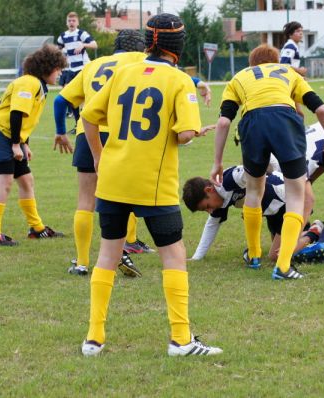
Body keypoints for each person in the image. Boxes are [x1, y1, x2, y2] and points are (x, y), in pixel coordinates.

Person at [79, 13, 222, 357]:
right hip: (153, 183)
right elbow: (184, 133)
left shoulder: (121, 72)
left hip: (113, 179)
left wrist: (99, 157)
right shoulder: (179, 80)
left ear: (148, 40)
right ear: (178, 44)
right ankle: (181, 340)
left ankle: (94, 339)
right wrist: (190, 133)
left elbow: (88, 116)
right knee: (173, 255)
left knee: (108, 255)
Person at [212, 44, 324, 281]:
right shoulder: (288, 72)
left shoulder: (240, 77)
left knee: (253, 190)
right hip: (285, 120)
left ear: (252, 64)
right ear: (276, 60)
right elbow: (320, 108)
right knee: (296, 195)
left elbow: (223, 123)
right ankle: (283, 265)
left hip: (252, 122)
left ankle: (254, 254)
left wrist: (217, 162)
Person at [52, 29, 149, 276]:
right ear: (140, 47)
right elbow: (167, 75)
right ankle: (122, 249)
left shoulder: (93, 65)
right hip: (122, 134)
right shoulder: (140, 60)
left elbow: (60, 101)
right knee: (125, 196)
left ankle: (82, 262)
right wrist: (198, 83)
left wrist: (61, 131)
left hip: (88, 133)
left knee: (86, 199)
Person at [0, 45, 67, 246]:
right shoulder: (29, 83)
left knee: (26, 180)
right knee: (5, 182)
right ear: (47, 68)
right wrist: (15, 145)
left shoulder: (38, 85)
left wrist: (24, 144)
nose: (60, 73)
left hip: (11, 136)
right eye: (58, 69)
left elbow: (24, 118)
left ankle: (37, 228)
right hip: (0, 134)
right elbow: (15, 114)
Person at [182, 166, 324, 263]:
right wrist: (197, 257)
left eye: (207, 207)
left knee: (276, 255)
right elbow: (211, 225)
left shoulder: (231, 178)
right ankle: (304, 231)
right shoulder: (218, 198)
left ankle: (314, 231)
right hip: (272, 212)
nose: (210, 211)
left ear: (209, 190)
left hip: (286, 202)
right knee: (280, 247)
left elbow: (257, 168)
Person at [56, 11, 97, 121]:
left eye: (73, 20)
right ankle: (77, 122)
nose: (71, 22)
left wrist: (83, 44)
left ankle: (84, 121)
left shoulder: (81, 34)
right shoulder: (63, 36)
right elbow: (57, 50)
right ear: (66, 23)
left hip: (83, 68)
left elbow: (94, 45)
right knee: (70, 96)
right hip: (71, 69)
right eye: (69, 21)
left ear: (77, 22)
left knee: (83, 96)